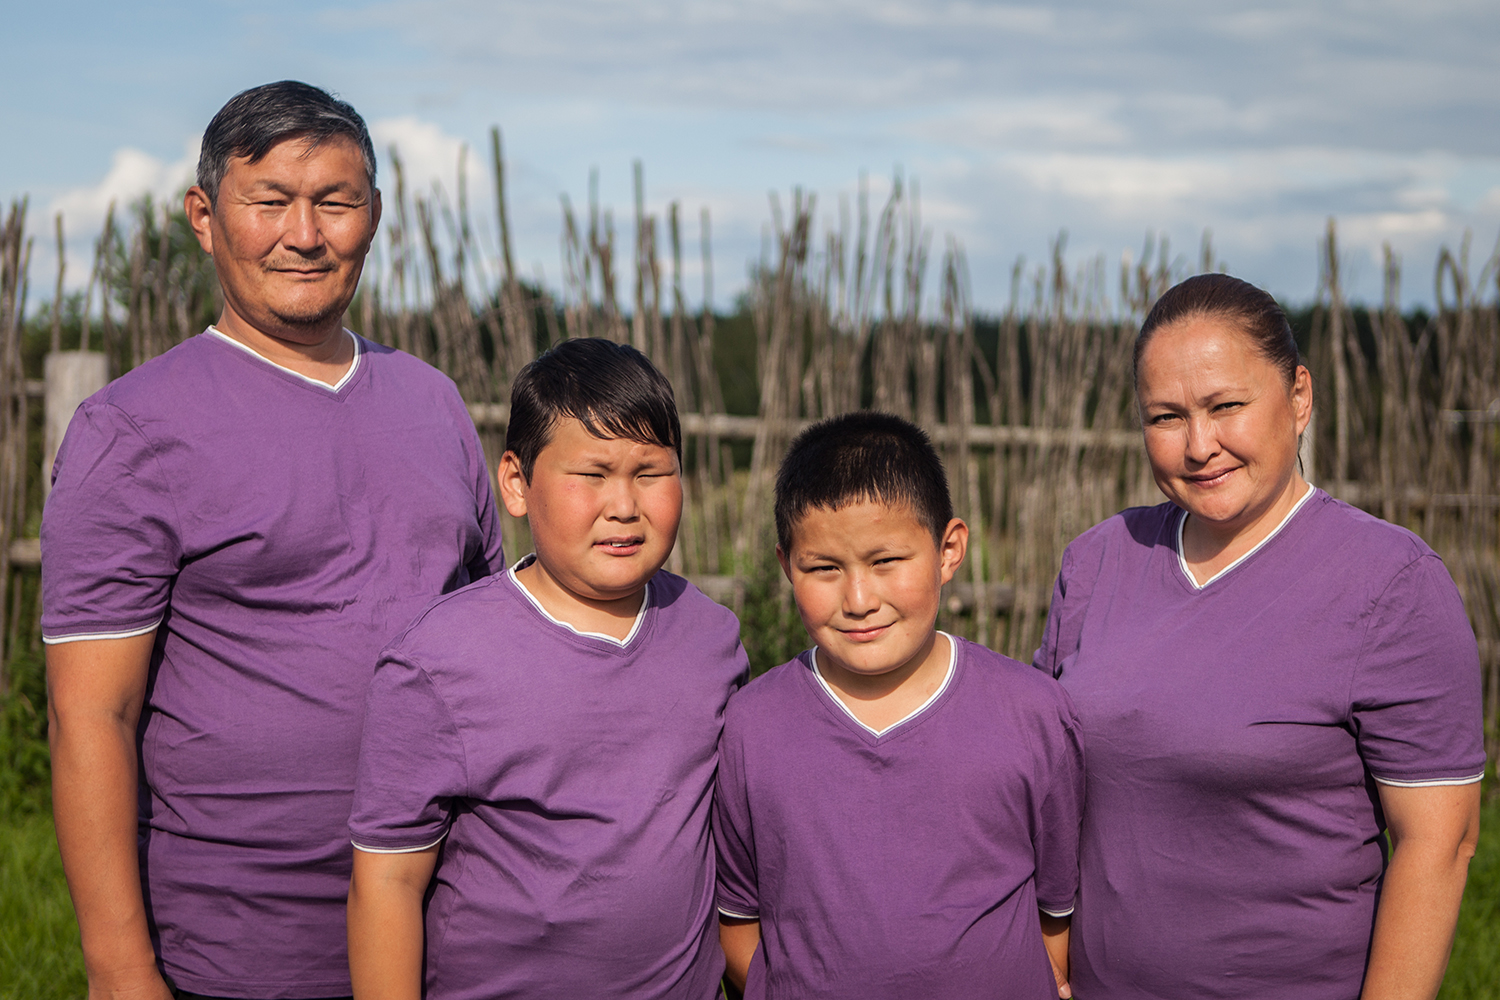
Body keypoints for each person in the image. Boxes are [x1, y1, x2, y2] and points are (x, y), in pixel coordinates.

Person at [43, 81, 504, 1000]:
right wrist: (120, 972)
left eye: (336, 201)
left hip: (455, 925)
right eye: (270, 202)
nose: (306, 233)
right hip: (241, 945)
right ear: (205, 218)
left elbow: (494, 634)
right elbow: (92, 717)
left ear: (374, 215)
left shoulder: (432, 402)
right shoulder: (132, 431)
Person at [1034, 272, 1486, 999]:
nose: (1199, 444)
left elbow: (1440, 845)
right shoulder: (1100, 559)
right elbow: (1047, 795)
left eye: (1226, 406)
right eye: (1166, 417)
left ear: (1299, 396)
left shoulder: (1389, 585)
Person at [346, 337, 749, 1000]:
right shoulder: (439, 663)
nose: (624, 505)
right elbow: (387, 883)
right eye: (591, 475)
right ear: (516, 484)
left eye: (650, 472)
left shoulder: (711, 640)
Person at [713, 411, 1085, 1000]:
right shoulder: (751, 728)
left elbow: (1055, 910)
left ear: (948, 550)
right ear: (787, 566)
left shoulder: (1031, 714)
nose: (859, 599)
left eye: (887, 562)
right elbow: (737, 915)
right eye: (824, 569)